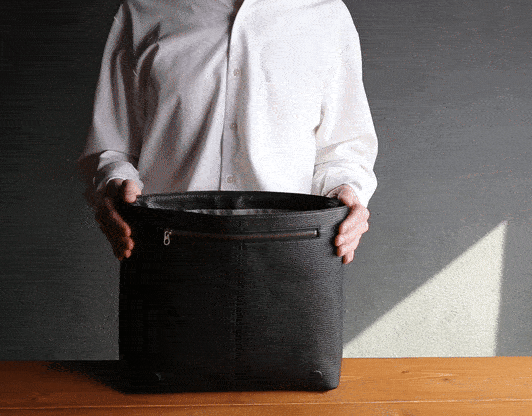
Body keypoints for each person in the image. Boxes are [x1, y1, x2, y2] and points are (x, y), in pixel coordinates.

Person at [79, 0, 377, 264]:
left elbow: (344, 149)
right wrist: (115, 186)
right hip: (166, 256)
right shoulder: (142, 10)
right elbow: (111, 144)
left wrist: (346, 192)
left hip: (292, 257)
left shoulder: (327, 16)